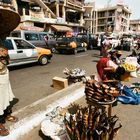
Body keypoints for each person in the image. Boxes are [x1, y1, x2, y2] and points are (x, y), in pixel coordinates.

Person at [0, 7, 20, 136]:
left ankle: (6, 114)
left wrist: (5, 56)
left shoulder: (2, 39)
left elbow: (7, 57)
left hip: (3, 72)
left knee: (5, 94)